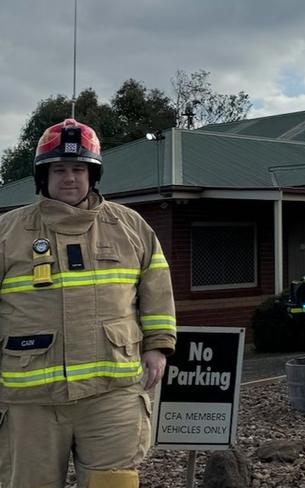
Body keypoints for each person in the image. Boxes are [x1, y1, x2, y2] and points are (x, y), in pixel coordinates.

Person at [0, 119, 176, 488]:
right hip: (30, 401)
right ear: (42, 175)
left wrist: (158, 346)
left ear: (92, 174)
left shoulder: (130, 226)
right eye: (59, 169)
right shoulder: (8, 232)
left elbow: (156, 287)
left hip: (113, 394)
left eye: (79, 169)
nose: (69, 178)